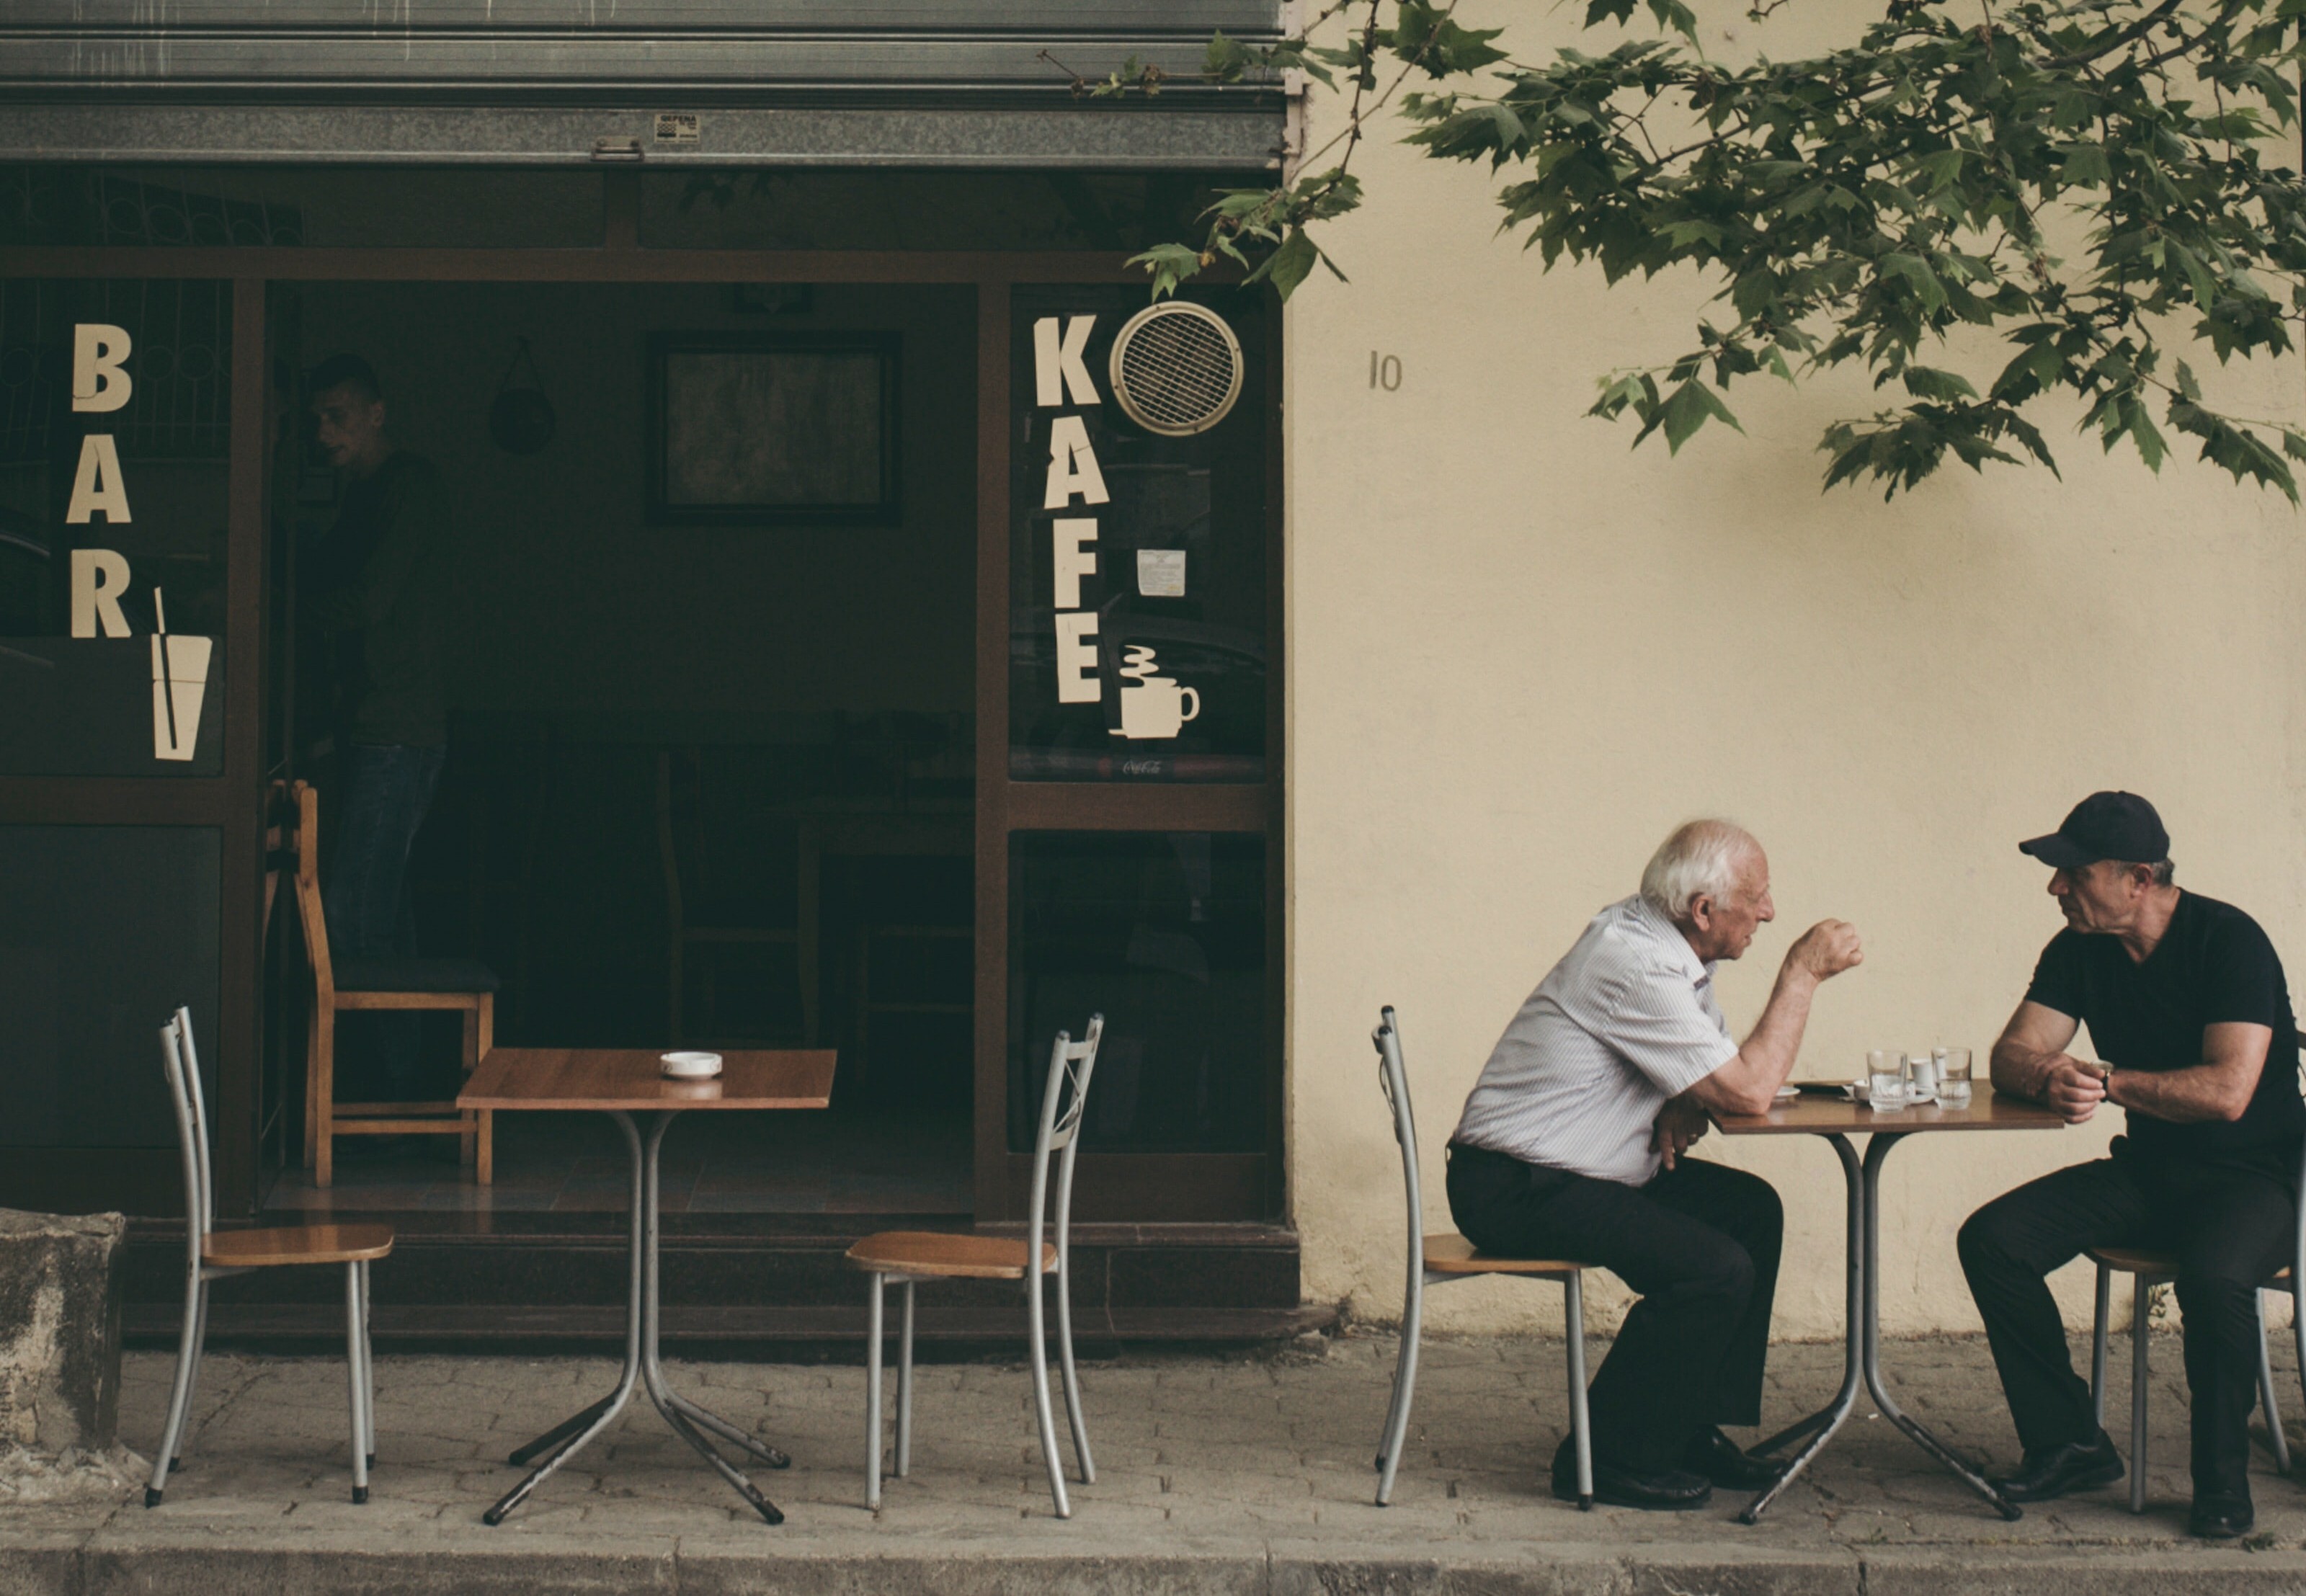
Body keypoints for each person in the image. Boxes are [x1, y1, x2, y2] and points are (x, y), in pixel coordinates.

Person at [1446, 819, 1864, 1510]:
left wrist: (1683, 1090)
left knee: (1750, 1211)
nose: (1768, 911)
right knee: (1713, 1268)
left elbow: (1717, 1072)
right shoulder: (1636, 959)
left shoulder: (1669, 950)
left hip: (1578, 1170)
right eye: (1756, 898)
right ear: (1703, 910)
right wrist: (1802, 973)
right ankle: (1608, 1453)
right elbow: (1750, 1089)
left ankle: (1683, 1425)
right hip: (1515, 1183)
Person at [1957, 792, 2302, 1540]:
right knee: (1992, 1238)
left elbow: (2228, 1090)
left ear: (2137, 878)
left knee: (2213, 1278)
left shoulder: (2227, 940)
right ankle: (2069, 1442)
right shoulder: (2077, 949)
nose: (2055, 888)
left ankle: (2220, 1483)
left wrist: (2108, 1080)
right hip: (2149, 1170)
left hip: (2256, 1177)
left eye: (2071, 873)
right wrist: (2045, 1075)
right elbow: (2010, 1053)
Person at [306, 353, 457, 1103]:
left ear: (376, 412)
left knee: (352, 912)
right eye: (314, 419)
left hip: (396, 730)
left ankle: (374, 1089)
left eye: (337, 415)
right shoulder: (362, 496)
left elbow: (364, 601)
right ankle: (398, 1086)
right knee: (381, 911)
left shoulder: (407, 489)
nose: (323, 431)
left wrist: (266, 609)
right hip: (374, 727)